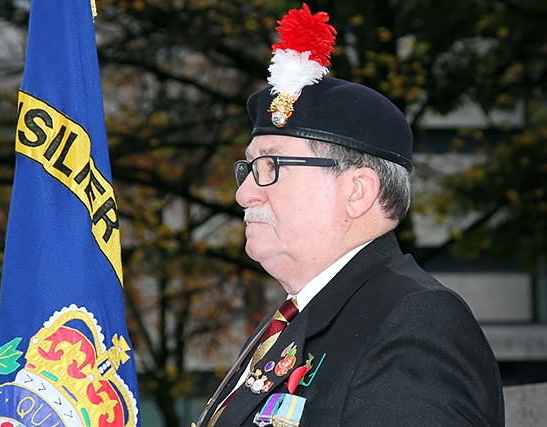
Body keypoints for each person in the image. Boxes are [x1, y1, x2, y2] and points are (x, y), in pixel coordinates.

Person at [196, 4, 505, 426]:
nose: (245, 192)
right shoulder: (296, 320)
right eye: (249, 168)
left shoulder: (414, 323)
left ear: (357, 192)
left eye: (272, 167)